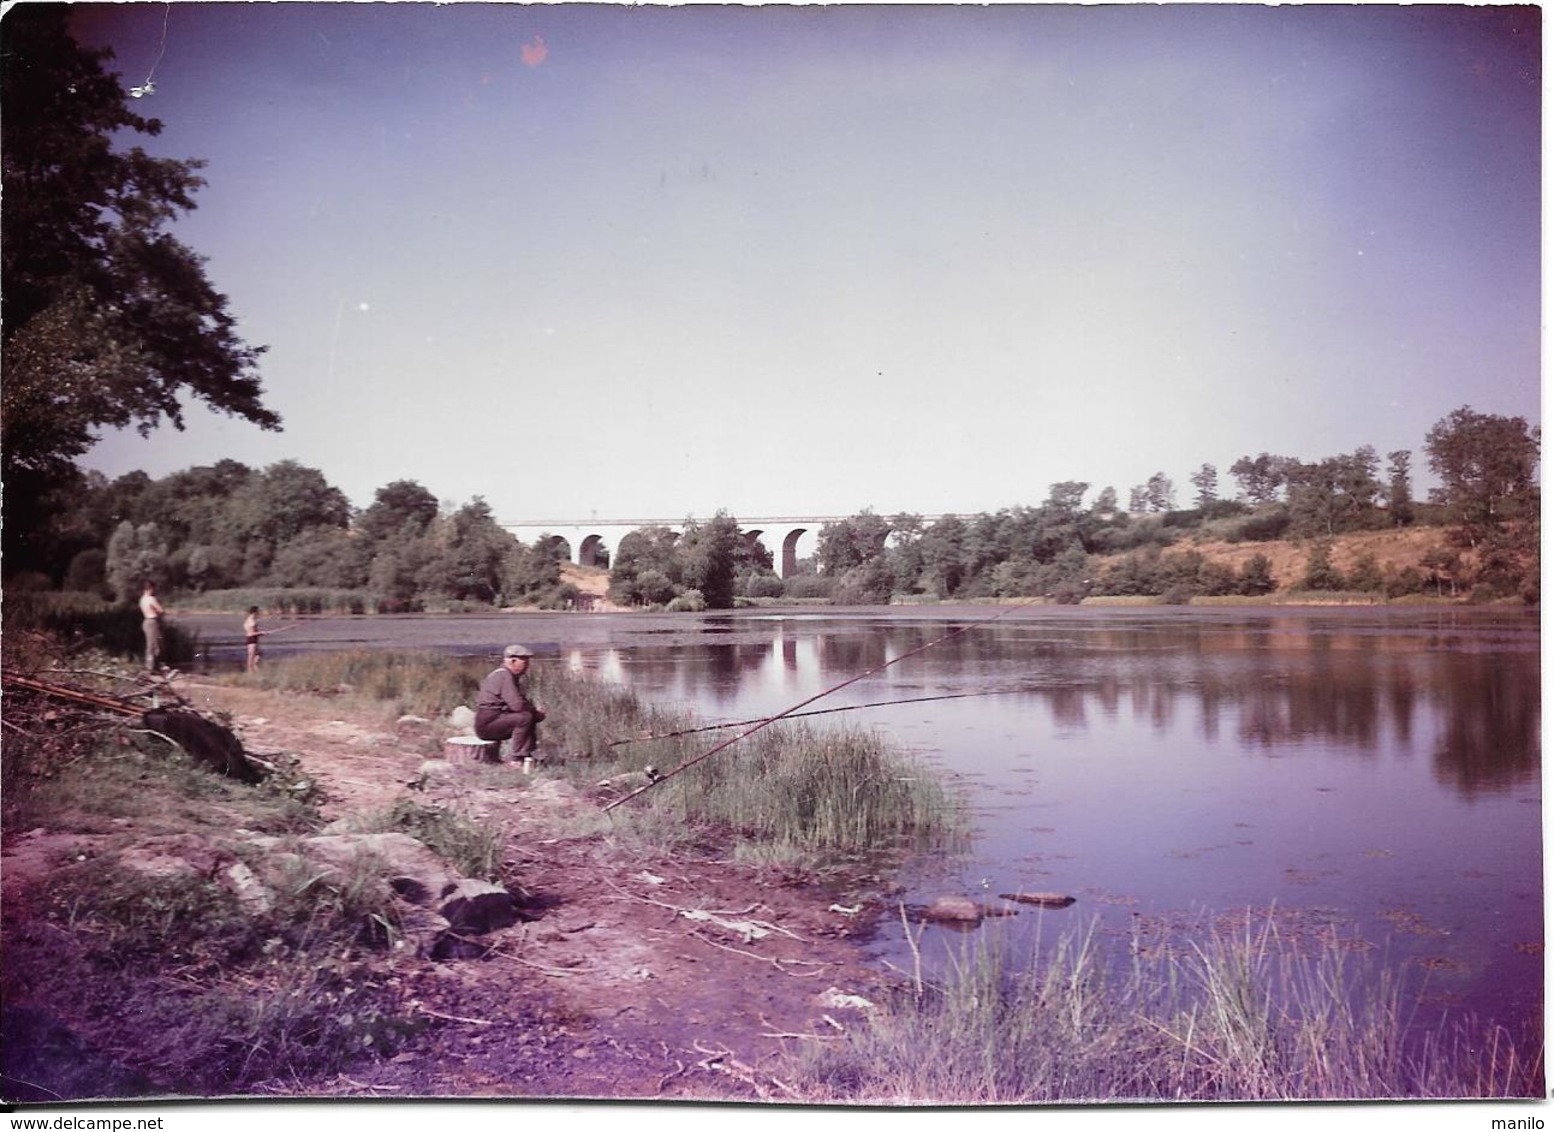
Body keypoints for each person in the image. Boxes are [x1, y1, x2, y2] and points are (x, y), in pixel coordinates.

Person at [474, 644, 546, 759]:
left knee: (528, 716)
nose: (527, 667)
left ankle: (528, 754)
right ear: (513, 661)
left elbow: (517, 703)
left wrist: (534, 713)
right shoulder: (504, 675)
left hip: (493, 721)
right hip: (488, 726)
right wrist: (536, 713)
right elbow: (517, 705)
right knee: (524, 718)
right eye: (525, 663)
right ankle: (517, 758)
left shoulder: (505, 675)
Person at [138, 581, 165, 672]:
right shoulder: (151, 599)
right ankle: (152, 667)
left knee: (150, 644)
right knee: (155, 645)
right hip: (153, 621)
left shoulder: (142, 599)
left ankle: (150, 665)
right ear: (151, 588)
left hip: (146, 621)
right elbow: (161, 610)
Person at [243, 606, 264, 673]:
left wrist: (260, 633)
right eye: (258, 611)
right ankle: (250, 671)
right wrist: (261, 633)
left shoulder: (250, 620)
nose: (259, 613)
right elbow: (251, 633)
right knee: (251, 657)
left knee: (258, 655)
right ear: (255, 612)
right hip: (252, 640)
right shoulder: (251, 621)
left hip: (253, 639)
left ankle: (255, 670)